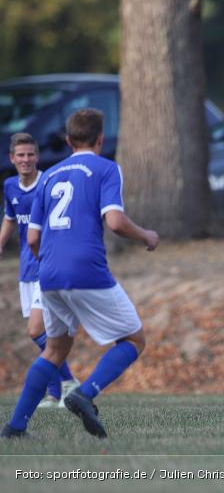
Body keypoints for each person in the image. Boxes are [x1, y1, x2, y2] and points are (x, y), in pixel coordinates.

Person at [1, 109, 159, 439]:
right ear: (100, 139)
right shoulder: (106, 168)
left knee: (54, 350)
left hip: (48, 274)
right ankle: (83, 394)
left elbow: (33, 237)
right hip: (87, 270)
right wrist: (146, 235)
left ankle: (15, 427)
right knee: (133, 339)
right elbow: (115, 221)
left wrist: (49, 263)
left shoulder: (49, 176)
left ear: (68, 141)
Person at [0, 133, 79, 408]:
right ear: (12, 158)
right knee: (43, 334)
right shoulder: (10, 186)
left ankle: (69, 382)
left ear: (38, 156)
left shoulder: (49, 184)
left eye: (30, 154)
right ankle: (54, 393)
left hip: (47, 266)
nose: (26, 159)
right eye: (20, 155)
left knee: (36, 330)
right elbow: (10, 217)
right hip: (26, 269)